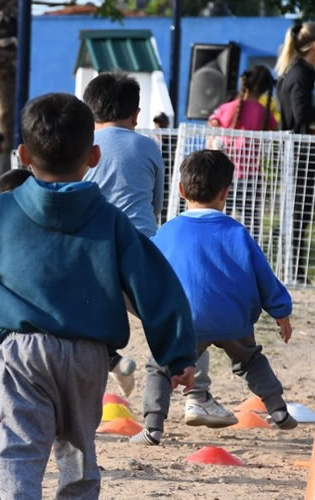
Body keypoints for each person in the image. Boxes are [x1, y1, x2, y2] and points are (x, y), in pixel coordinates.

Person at [0, 93, 196, 499]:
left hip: (25, 351)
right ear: (94, 156)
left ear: (22, 155)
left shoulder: (3, 212)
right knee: (78, 448)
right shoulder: (111, 220)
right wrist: (177, 354)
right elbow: (156, 286)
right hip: (90, 355)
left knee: (18, 444)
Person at [82, 72, 222, 419]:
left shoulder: (81, 146)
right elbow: (156, 205)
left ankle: (97, 384)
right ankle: (197, 396)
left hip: (91, 253)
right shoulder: (147, 147)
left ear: (89, 111)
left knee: (83, 323)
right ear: (136, 114)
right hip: (140, 251)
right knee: (178, 316)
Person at [133, 150, 297, 446]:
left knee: (160, 366)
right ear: (225, 192)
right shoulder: (237, 232)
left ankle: (153, 426)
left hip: (185, 322)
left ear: (180, 190)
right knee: (250, 359)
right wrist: (281, 311)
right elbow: (264, 276)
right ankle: (278, 409)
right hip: (233, 319)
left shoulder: (166, 233)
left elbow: (146, 275)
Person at [0, 167, 140, 397]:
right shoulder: (66, 225)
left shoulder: (14, 243)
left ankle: (113, 362)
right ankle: (114, 361)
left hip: (39, 340)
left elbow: (7, 296)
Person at [208, 65, 277, 236]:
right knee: (251, 223)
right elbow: (274, 128)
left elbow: (212, 123)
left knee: (218, 218)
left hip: (224, 174)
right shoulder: (265, 114)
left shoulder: (227, 108)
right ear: (265, 89)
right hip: (251, 177)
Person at [276, 21, 315, 283]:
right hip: (302, 154)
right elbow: (302, 113)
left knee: (296, 213)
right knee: (299, 214)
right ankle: (294, 272)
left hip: (295, 153)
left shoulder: (292, 70)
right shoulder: (301, 74)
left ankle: (293, 270)